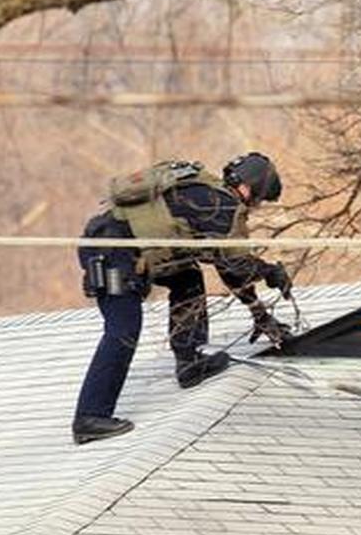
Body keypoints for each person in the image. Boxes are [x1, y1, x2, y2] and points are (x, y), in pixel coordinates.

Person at [72, 152, 294, 445]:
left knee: (187, 277)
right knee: (123, 330)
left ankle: (189, 362)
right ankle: (90, 417)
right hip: (114, 253)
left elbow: (226, 267)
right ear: (251, 189)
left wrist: (261, 316)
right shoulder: (221, 205)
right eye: (260, 199)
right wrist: (270, 272)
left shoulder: (209, 195)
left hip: (127, 252)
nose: (257, 206)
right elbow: (235, 266)